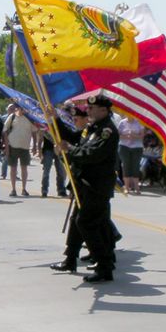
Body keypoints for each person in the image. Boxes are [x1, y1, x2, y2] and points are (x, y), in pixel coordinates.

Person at [51, 95, 120, 283]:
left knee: (87, 223)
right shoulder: (93, 128)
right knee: (77, 221)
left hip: (96, 186)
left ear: (103, 110)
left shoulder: (107, 131)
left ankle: (105, 266)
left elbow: (92, 154)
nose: (87, 111)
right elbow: (73, 137)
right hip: (85, 183)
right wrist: (54, 119)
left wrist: (69, 150)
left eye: (91, 108)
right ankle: (70, 259)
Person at [3, 104, 36, 197]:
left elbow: (34, 132)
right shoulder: (12, 116)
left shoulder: (29, 118)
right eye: (21, 107)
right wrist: (6, 146)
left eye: (24, 108)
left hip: (25, 147)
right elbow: (5, 130)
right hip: (13, 146)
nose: (22, 109)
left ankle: (24, 189)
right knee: (13, 169)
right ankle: (13, 189)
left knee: (24, 169)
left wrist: (34, 146)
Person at [37, 124, 68, 198]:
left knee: (61, 171)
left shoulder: (60, 123)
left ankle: (61, 190)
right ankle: (44, 190)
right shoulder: (45, 123)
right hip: (48, 150)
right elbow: (40, 138)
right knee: (46, 171)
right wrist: (39, 151)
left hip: (59, 149)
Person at [117, 114, 144, 194]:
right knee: (125, 165)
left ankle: (136, 187)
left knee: (135, 166)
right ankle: (127, 187)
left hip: (137, 147)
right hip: (124, 146)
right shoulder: (122, 122)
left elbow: (142, 136)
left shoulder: (139, 122)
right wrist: (125, 136)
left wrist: (134, 135)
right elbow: (118, 135)